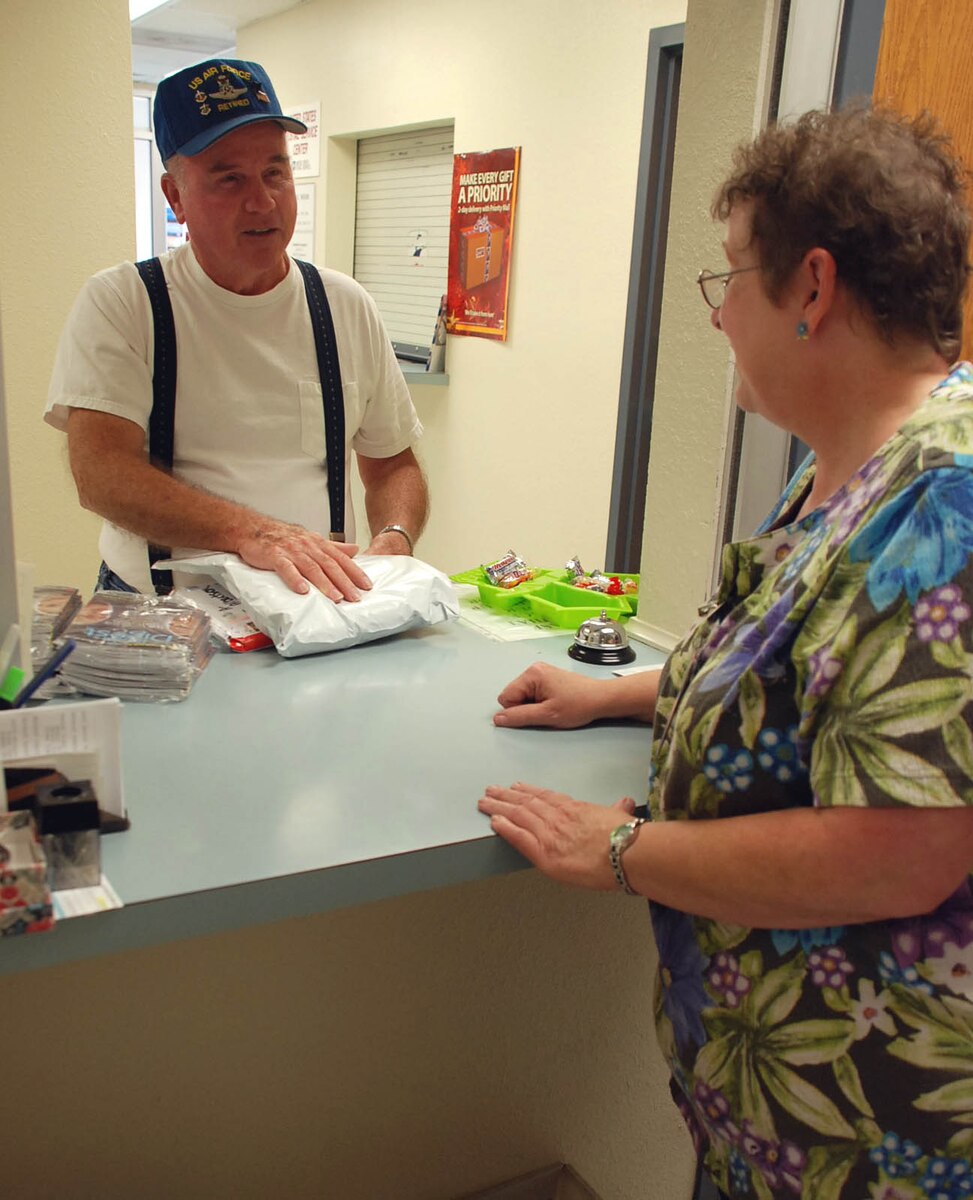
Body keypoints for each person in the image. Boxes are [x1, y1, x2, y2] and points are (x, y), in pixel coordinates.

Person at [479, 106, 973, 1200]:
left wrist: (620, 851)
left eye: (730, 282)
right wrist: (614, 694)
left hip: (873, 1133)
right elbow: (813, 675)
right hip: (766, 1112)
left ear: (812, 287)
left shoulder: (943, 505)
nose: (719, 320)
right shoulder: (843, 466)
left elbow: (902, 849)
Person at [45, 58, 427, 601]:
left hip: (316, 608)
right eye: (229, 178)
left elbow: (393, 463)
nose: (263, 200)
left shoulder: (343, 305)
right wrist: (254, 534)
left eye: (275, 172)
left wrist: (394, 537)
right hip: (164, 609)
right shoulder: (126, 303)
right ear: (174, 196)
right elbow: (102, 473)